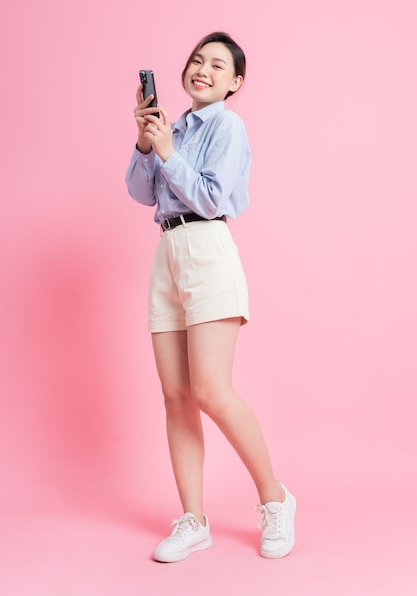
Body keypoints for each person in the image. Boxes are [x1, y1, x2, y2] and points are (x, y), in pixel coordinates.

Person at [125, 31, 296, 562]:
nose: (203, 70)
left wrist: (171, 153)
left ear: (234, 82)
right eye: (197, 61)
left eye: (217, 66)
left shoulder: (227, 124)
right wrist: (145, 142)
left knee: (212, 391)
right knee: (175, 395)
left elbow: (213, 196)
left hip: (206, 248)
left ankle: (275, 498)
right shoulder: (171, 125)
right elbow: (139, 192)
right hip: (167, 253)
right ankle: (194, 520)